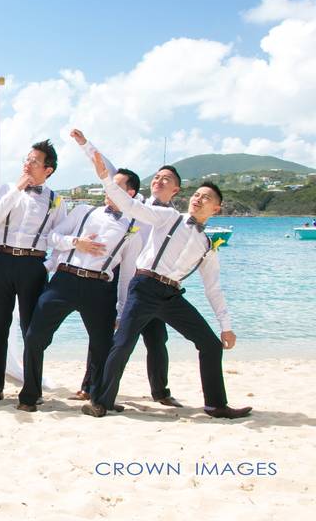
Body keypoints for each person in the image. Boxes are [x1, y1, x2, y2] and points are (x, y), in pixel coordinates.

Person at [82, 151, 252, 419]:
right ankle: (100, 401)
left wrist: (226, 327)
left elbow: (213, 289)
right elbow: (131, 206)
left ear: (216, 209)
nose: (198, 198)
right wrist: (105, 178)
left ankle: (216, 405)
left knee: (209, 344)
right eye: (197, 194)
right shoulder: (168, 216)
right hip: (145, 286)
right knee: (123, 343)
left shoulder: (207, 245)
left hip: (171, 295)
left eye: (206, 197)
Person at [17, 160, 144, 412]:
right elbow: (51, 237)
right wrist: (76, 242)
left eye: (116, 186)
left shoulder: (133, 230)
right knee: (35, 336)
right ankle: (30, 394)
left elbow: (127, 275)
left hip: (100, 289)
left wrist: (121, 309)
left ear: (130, 194)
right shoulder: (84, 211)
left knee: (102, 344)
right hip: (64, 280)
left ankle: (97, 397)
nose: (109, 190)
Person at [71, 130, 183, 407]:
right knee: (104, 334)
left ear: (175, 189)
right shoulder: (136, 205)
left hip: (153, 283)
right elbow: (109, 171)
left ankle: (161, 391)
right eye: (156, 177)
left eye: (165, 179)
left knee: (157, 339)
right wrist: (86, 144)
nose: (159, 181)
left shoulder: (174, 219)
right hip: (121, 277)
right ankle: (90, 384)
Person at [0, 140, 68, 400]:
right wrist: (18, 188)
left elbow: (60, 239)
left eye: (34, 161)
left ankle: (32, 389)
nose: (27, 164)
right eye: (27, 158)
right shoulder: (8, 189)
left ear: (48, 169)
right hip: (2, 259)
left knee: (31, 329)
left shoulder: (56, 200)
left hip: (34, 264)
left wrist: (47, 266)